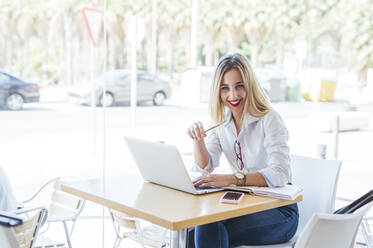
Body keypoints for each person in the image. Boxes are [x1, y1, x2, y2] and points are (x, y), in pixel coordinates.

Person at [187, 53, 298, 248]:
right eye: (225, 88)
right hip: (244, 203)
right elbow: (206, 165)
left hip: (279, 210)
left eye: (239, 86)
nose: (233, 95)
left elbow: (280, 173)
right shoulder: (221, 121)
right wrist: (198, 141)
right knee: (194, 229)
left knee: (208, 230)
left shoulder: (269, 118)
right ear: (217, 91)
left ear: (250, 85)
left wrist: (232, 178)